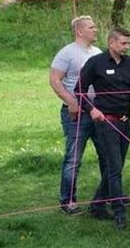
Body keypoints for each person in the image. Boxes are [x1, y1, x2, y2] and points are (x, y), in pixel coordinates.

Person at [77, 27, 130, 230]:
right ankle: (119, 212)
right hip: (106, 122)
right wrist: (91, 110)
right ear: (111, 43)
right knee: (115, 168)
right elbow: (79, 91)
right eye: (123, 43)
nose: (127, 47)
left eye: (128, 43)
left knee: (115, 167)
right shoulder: (96, 63)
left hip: (126, 121)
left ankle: (97, 205)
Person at [49, 15, 103, 214]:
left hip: (97, 111)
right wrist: (71, 102)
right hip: (76, 114)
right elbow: (54, 79)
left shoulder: (97, 52)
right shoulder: (67, 53)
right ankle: (68, 201)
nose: (96, 29)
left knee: (106, 154)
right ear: (79, 31)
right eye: (91, 27)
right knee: (74, 159)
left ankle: (108, 195)